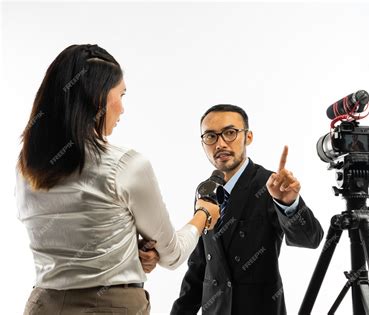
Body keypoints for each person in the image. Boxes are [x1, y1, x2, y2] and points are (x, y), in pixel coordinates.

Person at [15, 44, 219, 315]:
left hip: (42, 304)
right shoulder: (127, 165)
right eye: (121, 95)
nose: (122, 109)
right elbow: (172, 255)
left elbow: (69, 236)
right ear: (97, 97)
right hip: (109, 307)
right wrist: (202, 215)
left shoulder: (27, 166)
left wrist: (125, 247)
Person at [169, 104, 325, 314]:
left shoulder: (270, 185)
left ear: (248, 137)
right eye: (210, 136)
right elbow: (199, 266)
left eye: (230, 133)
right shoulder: (206, 189)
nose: (220, 143)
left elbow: (310, 239)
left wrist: (289, 204)